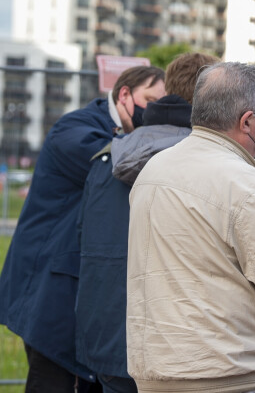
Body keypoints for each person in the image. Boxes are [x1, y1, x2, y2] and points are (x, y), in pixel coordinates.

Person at [126, 62, 255, 393]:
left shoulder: (154, 170)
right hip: (230, 375)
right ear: (247, 122)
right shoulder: (247, 186)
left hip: (158, 370)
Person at [0, 66, 165, 393]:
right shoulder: (75, 128)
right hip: (52, 294)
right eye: (150, 101)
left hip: (83, 295)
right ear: (124, 95)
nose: (153, 113)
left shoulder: (124, 133)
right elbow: (117, 165)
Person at [75, 53, 218, 393]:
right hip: (177, 345)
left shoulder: (107, 156)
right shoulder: (209, 163)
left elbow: (85, 242)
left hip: (107, 340)